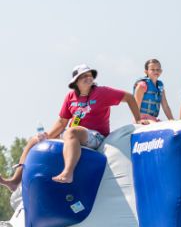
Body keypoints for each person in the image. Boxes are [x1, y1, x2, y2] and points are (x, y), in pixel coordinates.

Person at [0, 64, 142, 190]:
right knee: (34, 139)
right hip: (72, 134)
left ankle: (68, 173)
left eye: (89, 75)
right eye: (83, 76)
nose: (88, 78)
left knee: (71, 131)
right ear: (76, 82)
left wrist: (138, 120)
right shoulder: (70, 96)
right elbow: (62, 122)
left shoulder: (102, 92)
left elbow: (129, 97)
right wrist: (47, 136)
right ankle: (14, 181)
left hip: (95, 136)